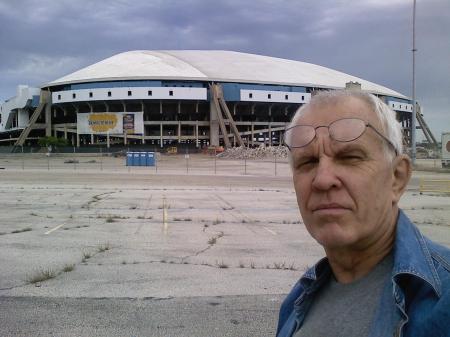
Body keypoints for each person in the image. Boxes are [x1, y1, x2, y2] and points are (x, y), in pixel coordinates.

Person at [276, 90, 450, 337]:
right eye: (308, 162)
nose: (322, 180)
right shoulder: (296, 302)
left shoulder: (441, 299)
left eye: (350, 157)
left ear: (397, 178)